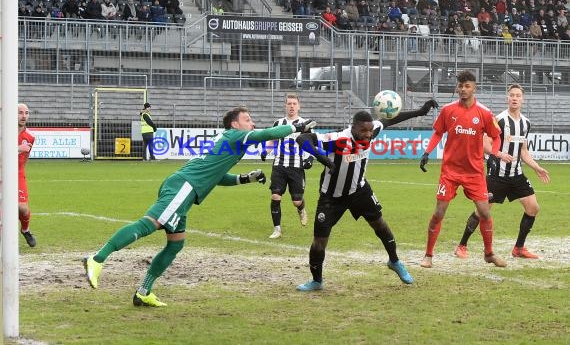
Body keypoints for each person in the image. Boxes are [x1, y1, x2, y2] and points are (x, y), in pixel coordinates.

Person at [83, 107, 316, 306]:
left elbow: (217, 176)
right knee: (151, 224)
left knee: (175, 243)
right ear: (235, 124)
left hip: (185, 187)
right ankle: (98, 258)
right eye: (248, 119)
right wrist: (297, 127)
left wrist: (245, 178)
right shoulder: (235, 135)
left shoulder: (230, 141)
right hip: (184, 186)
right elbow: (267, 134)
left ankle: (143, 293)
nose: (252, 123)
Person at [294, 99, 439, 291]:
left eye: (370, 131)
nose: (368, 135)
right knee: (319, 241)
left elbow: (390, 121)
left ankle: (394, 261)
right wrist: (321, 156)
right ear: (353, 128)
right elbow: (302, 139)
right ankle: (317, 281)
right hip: (331, 197)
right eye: (364, 131)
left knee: (380, 223)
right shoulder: (338, 139)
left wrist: (420, 112)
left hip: (360, 190)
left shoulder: (372, 132)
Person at [418, 70, 506, 268]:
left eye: (467, 86)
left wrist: (493, 154)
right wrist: (427, 152)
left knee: (484, 212)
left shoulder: (484, 113)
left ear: (474, 88)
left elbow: (497, 136)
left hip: (474, 171)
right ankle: (428, 255)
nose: (463, 89)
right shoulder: (448, 111)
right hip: (450, 171)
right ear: (457, 88)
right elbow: (438, 133)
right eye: (460, 86)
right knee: (439, 212)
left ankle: (489, 253)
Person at [454, 84, 550, 259]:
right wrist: (498, 154)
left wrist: (537, 168)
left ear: (523, 99)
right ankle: (462, 245)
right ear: (507, 98)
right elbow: (484, 144)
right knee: (482, 211)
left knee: (533, 207)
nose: (514, 98)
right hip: (497, 175)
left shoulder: (526, 123)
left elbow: (523, 151)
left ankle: (519, 248)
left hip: (516, 175)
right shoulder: (499, 120)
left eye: (518, 95)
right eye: (511, 95)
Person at [261, 94, 314, 239]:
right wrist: (266, 150)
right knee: (275, 195)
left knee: (296, 200)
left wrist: (310, 158)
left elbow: (312, 144)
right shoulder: (279, 123)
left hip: (296, 167)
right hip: (279, 166)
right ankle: (277, 229)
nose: (291, 106)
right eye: (289, 103)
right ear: (285, 106)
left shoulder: (305, 124)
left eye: (294, 103)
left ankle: (301, 208)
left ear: (299, 106)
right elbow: (272, 140)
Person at [18, 103, 37, 247]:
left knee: (23, 209)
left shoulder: (30, 136)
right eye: (20, 112)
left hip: (18, 173)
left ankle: (25, 230)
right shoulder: (3, 132)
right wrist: (17, 148)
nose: (24, 116)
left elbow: (26, 158)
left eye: (26, 113)